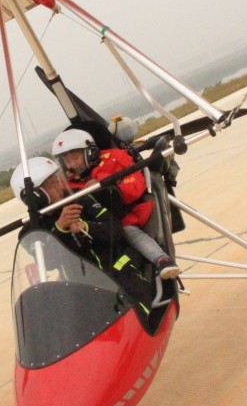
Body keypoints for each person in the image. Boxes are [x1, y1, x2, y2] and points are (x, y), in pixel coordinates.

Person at [10, 157, 154, 306]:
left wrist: (86, 227)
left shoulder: (78, 198)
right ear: (36, 196)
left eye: (57, 180)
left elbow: (115, 229)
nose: (59, 187)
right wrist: (60, 228)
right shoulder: (30, 231)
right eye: (52, 184)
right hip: (82, 290)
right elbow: (49, 263)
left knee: (141, 308)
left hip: (118, 273)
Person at [52, 128, 181, 280]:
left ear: (89, 153)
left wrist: (103, 184)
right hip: (95, 226)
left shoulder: (115, 159)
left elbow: (135, 187)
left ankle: (162, 260)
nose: (71, 164)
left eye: (75, 158)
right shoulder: (66, 183)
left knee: (126, 230)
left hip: (125, 216)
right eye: (67, 161)